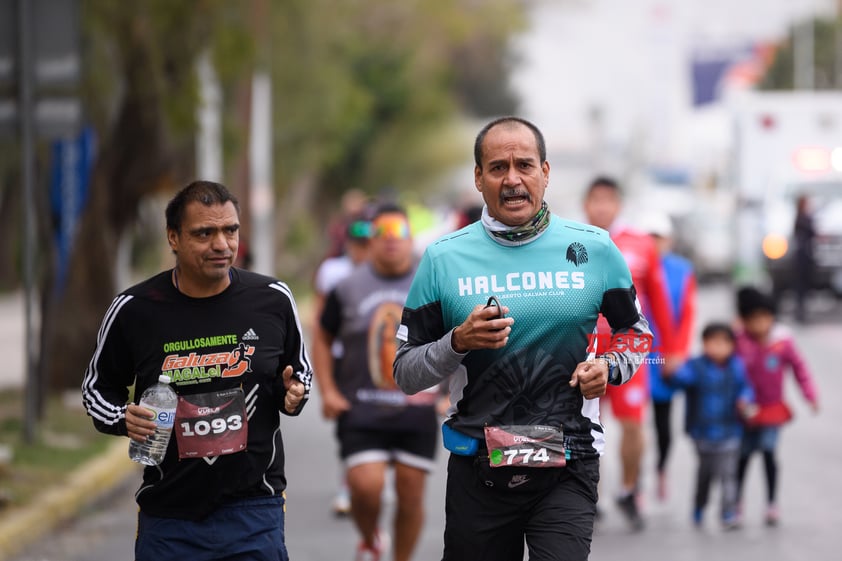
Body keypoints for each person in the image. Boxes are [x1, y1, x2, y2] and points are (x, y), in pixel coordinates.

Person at [393, 117, 653, 561]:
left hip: (568, 461)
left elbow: (637, 335)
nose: (512, 179)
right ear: (478, 178)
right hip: (479, 468)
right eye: (497, 168)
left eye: (524, 165)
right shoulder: (443, 258)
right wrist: (457, 341)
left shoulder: (595, 248)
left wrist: (607, 368)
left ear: (545, 173)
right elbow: (405, 373)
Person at [81, 181, 311, 561]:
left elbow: (299, 373)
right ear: (173, 237)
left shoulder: (273, 299)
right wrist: (124, 418)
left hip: (253, 508)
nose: (222, 244)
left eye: (230, 230)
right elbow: (95, 391)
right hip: (168, 514)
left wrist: (295, 394)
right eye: (204, 233)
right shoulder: (134, 309)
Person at [312, 203, 440, 561]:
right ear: (371, 241)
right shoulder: (348, 287)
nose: (391, 242)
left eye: (399, 234)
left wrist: (447, 393)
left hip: (416, 409)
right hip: (362, 407)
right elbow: (321, 337)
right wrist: (329, 391)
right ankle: (370, 538)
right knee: (365, 487)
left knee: (410, 492)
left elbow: (452, 340)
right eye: (382, 234)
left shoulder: (431, 286)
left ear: (411, 240)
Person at [582, 177, 682, 529]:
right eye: (596, 200)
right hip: (584, 352)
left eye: (609, 200)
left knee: (633, 425)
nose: (602, 207)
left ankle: (628, 490)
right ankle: (587, 496)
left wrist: (669, 348)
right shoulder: (570, 242)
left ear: (619, 204)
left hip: (628, 353)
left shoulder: (640, 244)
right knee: (585, 424)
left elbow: (658, 298)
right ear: (586, 204)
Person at [734, 286, 819, 526]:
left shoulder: (782, 342)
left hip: (772, 411)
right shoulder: (738, 342)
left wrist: (810, 395)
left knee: (769, 454)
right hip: (745, 412)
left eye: (765, 318)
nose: (760, 324)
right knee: (742, 457)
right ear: (744, 321)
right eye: (753, 319)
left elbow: (800, 369)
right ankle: (736, 503)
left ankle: (771, 503)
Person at [662, 323, 754, 530]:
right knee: (706, 474)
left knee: (728, 474)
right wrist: (670, 372)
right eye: (713, 342)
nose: (718, 347)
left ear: (732, 345)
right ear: (704, 344)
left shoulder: (736, 367)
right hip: (702, 433)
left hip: (730, 431)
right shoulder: (695, 366)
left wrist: (745, 401)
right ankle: (699, 505)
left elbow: (746, 388)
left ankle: (728, 512)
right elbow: (680, 380)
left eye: (724, 342)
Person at [313, 212, 372, 516]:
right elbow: (321, 315)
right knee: (350, 422)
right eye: (357, 243)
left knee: (377, 417)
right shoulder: (333, 271)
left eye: (367, 243)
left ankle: (374, 474)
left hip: (374, 358)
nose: (362, 250)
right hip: (341, 355)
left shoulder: (384, 272)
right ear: (347, 243)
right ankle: (348, 483)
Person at [639, 211, 697, 502]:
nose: (653, 243)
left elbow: (686, 315)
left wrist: (678, 353)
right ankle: (635, 483)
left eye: (658, 237)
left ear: (669, 240)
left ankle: (661, 469)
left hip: (663, 356)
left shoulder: (682, 270)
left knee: (663, 421)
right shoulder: (630, 267)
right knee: (633, 424)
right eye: (649, 237)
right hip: (635, 356)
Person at [792, 194, 815, 323]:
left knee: (802, 285)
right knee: (801, 285)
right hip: (803, 256)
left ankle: (801, 311)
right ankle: (800, 312)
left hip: (804, 255)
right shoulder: (802, 217)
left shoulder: (800, 217)